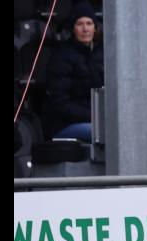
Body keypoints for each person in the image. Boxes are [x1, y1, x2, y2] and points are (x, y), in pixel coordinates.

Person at [44, 1, 103, 142]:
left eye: (89, 23)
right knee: (105, 132)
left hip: (96, 119)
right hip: (65, 125)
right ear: (73, 28)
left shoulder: (101, 53)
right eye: (80, 24)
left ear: (95, 27)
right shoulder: (62, 57)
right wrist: (95, 116)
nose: (85, 29)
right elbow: (60, 104)